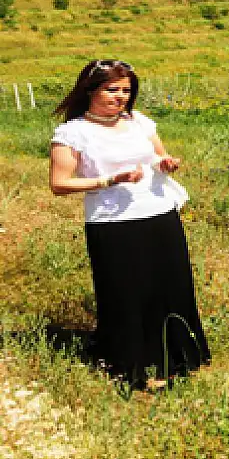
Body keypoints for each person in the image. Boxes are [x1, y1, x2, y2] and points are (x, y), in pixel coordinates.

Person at [49, 59, 210, 391]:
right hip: (114, 223)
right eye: (112, 89)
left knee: (170, 288)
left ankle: (178, 358)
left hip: (159, 214)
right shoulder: (73, 132)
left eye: (126, 90)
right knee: (126, 293)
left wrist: (167, 163)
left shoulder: (138, 122)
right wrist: (109, 180)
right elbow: (60, 183)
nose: (121, 96)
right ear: (90, 90)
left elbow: (159, 159)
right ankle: (131, 363)